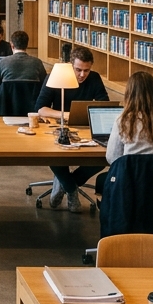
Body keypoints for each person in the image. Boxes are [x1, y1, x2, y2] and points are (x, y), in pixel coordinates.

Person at [35, 45, 110, 211]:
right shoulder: (56, 77)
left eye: (86, 70)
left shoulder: (94, 78)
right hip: (58, 126)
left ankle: (66, 184)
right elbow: (41, 108)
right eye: (78, 70)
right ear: (70, 65)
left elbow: (104, 104)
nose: (82, 75)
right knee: (53, 154)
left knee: (102, 158)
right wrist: (66, 115)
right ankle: (71, 190)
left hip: (85, 127)